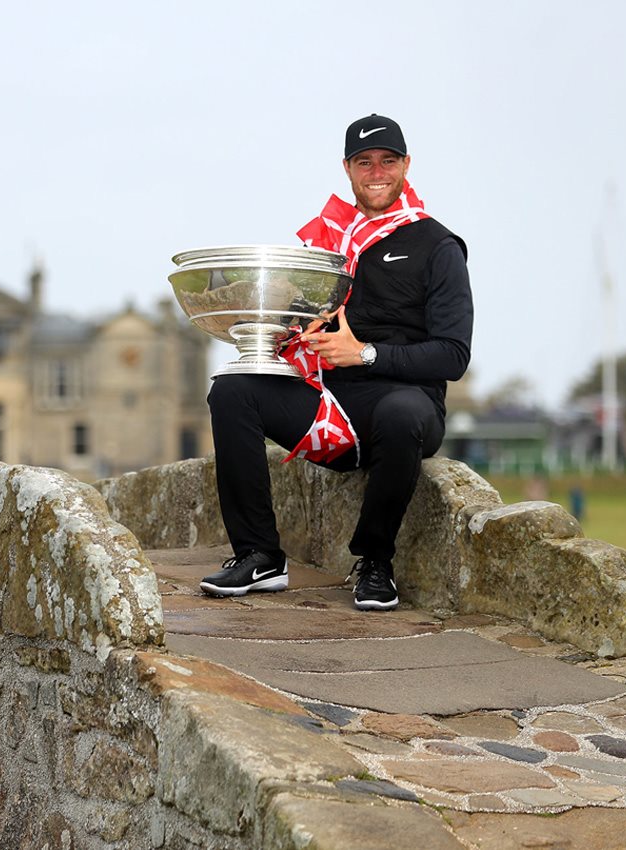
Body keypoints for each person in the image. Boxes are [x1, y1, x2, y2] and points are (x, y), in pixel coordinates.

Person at [200, 114, 473, 610]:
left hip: (403, 406)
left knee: (401, 413)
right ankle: (260, 554)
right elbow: (296, 320)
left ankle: (375, 562)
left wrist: (364, 353)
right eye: (364, 162)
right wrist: (290, 332)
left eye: (387, 161)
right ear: (347, 168)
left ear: (406, 165)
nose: (376, 172)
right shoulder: (327, 245)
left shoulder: (438, 246)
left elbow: (453, 354)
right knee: (232, 390)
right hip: (328, 406)